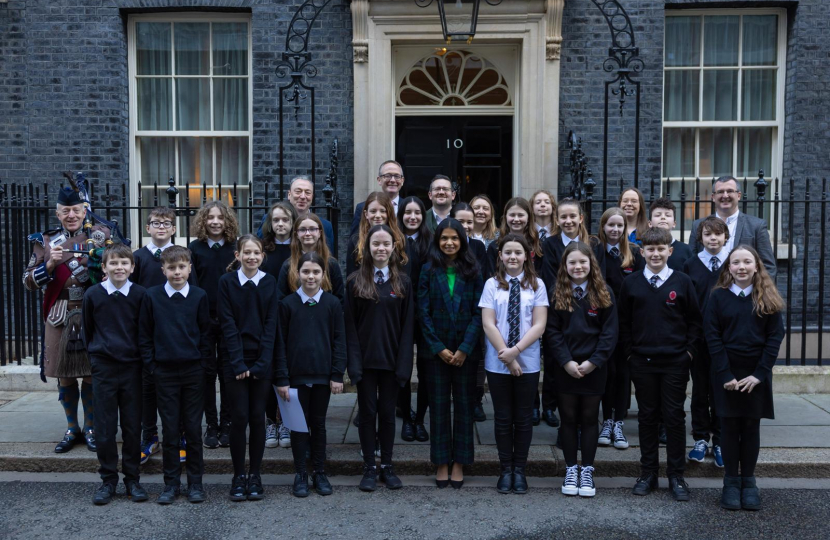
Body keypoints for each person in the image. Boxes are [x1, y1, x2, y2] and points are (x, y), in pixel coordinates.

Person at [23, 185, 111, 454]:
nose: (71, 215)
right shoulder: (45, 242)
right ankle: (72, 428)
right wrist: (49, 265)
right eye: (65, 211)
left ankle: (91, 427)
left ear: (84, 211)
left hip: (90, 311)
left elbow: (116, 268)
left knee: (91, 374)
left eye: (76, 210)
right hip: (60, 313)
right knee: (64, 376)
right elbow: (28, 282)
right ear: (57, 213)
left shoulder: (100, 236)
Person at [618, 227, 702, 502]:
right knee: (647, 416)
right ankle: (648, 472)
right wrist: (631, 354)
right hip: (642, 361)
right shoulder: (631, 283)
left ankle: (676, 475)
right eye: (650, 249)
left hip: (675, 362)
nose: (655, 253)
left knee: (674, 417)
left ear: (670, 251)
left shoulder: (682, 281)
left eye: (660, 248)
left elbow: (694, 321)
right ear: (642, 252)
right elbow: (624, 323)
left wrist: (688, 352)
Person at [704, 245, 784, 511]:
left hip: (755, 374)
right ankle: (730, 482)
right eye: (735, 262)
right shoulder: (718, 297)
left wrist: (760, 374)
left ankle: (749, 482)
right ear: (729, 267)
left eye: (747, 262)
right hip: (727, 372)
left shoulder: (767, 298)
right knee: (728, 428)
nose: (741, 267)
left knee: (750, 427)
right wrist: (725, 373)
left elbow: (775, 337)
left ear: (756, 266)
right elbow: (712, 336)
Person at [138, 246, 211, 504]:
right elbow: (144, 335)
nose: (177, 272)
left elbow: (206, 334)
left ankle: (195, 484)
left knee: (192, 430)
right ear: (163, 270)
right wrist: (152, 366)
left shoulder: (200, 296)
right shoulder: (152, 296)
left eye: (182, 267)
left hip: (193, 372)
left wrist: (203, 366)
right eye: (171, 268)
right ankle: (171, 485)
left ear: (189, 268)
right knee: (169, 431)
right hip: (164, 372)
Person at [545, 242, 618, 498]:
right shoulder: (556, 291)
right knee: (567, 418)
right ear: (565, 265)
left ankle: (587, 469)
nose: (578, 267)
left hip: (594, 367)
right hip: (565, 366)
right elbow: (552, 331)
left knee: (589, 418)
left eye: (583, 262)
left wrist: (593, 362)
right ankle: (570, 469)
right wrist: (566, 361)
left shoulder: (603, 291)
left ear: (591, 265)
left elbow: (609, 333)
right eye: (572, 262)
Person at [345, 224, 415, 492]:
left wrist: (404, 365)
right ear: (367, 247)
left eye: (386, 244)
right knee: (367, 415)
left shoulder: (403, 282)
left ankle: (387, 465)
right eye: (376, 244)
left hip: (392, 362)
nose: (381, 248)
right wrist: (354, 365)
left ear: (394, 247)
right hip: (365, 362)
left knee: (387, 415)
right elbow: (349, 326)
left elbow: (408, 327)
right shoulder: (354, 281)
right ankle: (369, 467)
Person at [479, 233, 548, 494]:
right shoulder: (491, 285)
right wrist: (506, 356)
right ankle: (505, 469)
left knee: (523, 418)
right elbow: (488, 323)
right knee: (503, 418)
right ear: (500, 256)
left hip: (528, 362)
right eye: (507, 252)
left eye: (518, 252)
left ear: (527, 256)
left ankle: (520, 470)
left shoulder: (537, 285)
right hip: (497, 363)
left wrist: (516, 352)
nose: (512, 257)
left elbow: (539, 324)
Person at [417, 218, 484, 489]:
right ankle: (442, 462)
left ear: (462, 241)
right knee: (440, 408)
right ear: (437, 241)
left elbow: (480, 312)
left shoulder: (474, 270)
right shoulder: (427, 270)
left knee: (465, 408)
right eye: (444, 238)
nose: (449, 243)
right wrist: (439, 348)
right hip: (437, 353)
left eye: (454, 238)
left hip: (466, 353)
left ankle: (460, 463)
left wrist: (465, 348)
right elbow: (422, 313)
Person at [275, 252, 347, 498]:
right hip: (295, 377)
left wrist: (337, 374)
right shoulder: (287, 304)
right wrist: (282, 378)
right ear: (298, 274)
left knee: (318, 424)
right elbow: (280, 344)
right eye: (306, 271)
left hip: (322, 376)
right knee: (298, 427)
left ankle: (319, 471)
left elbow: (339, 341)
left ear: (323, 275)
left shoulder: (332, 304)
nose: (311, 276)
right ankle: (300, 474)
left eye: (316, 271)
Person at [82, 244, 148, 505]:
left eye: (124, 263)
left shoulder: (141, 295)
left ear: (132, 267)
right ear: (104, 268)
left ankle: (132, 479)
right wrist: (97, 359)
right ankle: (108, 480)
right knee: (105, 429)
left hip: (133, 368)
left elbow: (145, 331)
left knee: (132, 427)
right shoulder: (93, 295)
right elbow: (89, 330)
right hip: (105, 368)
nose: (119, 267)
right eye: (113, 263)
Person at [133, 207, 198, 465]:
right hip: (149, 332)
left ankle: (180, 434)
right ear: (147, 228)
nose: (161, 227)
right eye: (155, 223)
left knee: (178, 393)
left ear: (174, 229)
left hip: (178, 333)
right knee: (148, 390)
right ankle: (149, 436)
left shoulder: (184, 257)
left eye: (167, 223)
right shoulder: (137, 257)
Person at [218, 235, 279, 502]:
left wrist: (262, 363)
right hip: (235, 360)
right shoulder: (227, 283)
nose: (252, 257)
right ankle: (238, 475)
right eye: (247, 253)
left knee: (257, 417)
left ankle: (255, 474)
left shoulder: (269, 282)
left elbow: (271, 325)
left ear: (262, 256)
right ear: (238, 255)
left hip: (261, 360)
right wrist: (239, 363)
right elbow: (227, 325)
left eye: (257, 253)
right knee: (239, 417)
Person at [540, 198, 605, 427]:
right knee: (553, 359)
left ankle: (585, 413)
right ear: (557, 220)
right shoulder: (550, 244)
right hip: (560, 305)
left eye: (572, 216)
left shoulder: (595, 244)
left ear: (581, 218)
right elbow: (548, 276)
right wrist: (563, 296)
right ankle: (549, 406)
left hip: (590, 305)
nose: (568, 221)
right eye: (563, 217)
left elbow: (600, 275)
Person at [188, 201, 238, 450]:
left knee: (227, 374)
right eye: (210, 217)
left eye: (220, 217)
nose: (215, 221)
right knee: (207, 374)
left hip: (230, 320)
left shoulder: (235, 249)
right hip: (205, 320)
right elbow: (193, 285)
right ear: (203, 221)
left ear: (227, 221)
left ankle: (227, 424)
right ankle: (212, 424)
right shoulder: (194, 248)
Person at [684, 216, 729, 468]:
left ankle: (720, 440)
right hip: (698, 339)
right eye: (708, 234)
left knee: (721, 390)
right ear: (700, 238)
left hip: (725, 340)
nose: (713, 238)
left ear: (725, 237)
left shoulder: (733, 264)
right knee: (700, 390)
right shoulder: (690, 265)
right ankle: (700, 438)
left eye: (718, 234)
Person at [596, 208, 643, 450]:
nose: (615, 230)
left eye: (619, 225)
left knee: (624, 374)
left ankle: (619, 422)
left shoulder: (634, 254)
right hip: (602, 321)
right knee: (607, 372)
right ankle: (606, 420)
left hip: (627, 323)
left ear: (626, 228)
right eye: (610, 225)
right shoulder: (595, 252)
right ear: (603, 226)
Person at [687, 176, 776, 279]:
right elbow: (691, 262)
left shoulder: (756, 226)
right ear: (713, 197)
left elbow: (768, 266)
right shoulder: (698, 225)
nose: (725, 195)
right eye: (720, 192)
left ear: (738, 195)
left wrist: (756, 292)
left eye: (730, 191)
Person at [260, 200, 296, 450]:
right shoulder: (263, 249)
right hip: (265, 314)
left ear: (293, 222)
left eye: (285, 219)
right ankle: (269, 420)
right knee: (269, 369)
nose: (280, 224)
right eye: (276, 220)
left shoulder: (298, 249)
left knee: (288, 370)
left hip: (291, 316)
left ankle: (286, 420)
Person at [397, 196, 432, 443]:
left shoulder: (431, 241)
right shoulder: (394, 242)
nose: (412, 217)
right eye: (408, 212)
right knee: (403, 369)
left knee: (427, 370)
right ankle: (407, 420)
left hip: (427, 314)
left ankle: (420, 419)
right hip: (400, 314)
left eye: (417, 213)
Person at [276, 213, 345, 306]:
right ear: (296, 234)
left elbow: (339, 299)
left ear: (320, 233)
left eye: (312, 229)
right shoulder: (288, 265)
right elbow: (281, 300)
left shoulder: (331, 263)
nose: (307, 233)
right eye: (303, 230)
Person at [257, 176, 335, 252]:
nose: (303, 196)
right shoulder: (269, 219)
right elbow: (259, 248)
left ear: (312, 197)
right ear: (289, 194)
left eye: (308, 193)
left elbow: (327, 258)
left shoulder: (325, 226)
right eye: (298, 192)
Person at [346, 192, 408, 278]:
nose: (378, 215)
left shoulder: (400, 239)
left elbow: (406, 277)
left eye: (382, 211)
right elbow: (351, 276)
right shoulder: (355, 241)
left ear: (389, 213)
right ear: (366, 214)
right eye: (373, 211)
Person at [486, 197, 544, 279]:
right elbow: (491, 275)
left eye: (520, 215)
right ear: (506, 217)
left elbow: (541, 275)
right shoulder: (494, 246)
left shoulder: (538, 245)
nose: (516, 219)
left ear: (529, 218)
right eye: (512, 215)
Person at [351, 160, 404, 236]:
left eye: (397, 176)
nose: (392, 180)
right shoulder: (361, 208)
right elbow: (354, 241)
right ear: (379, 180)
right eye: (388, 175)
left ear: (402, 180)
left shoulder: (408, 208)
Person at [649, 197, 693, 272]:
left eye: (667, 215)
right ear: (650, 223)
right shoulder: (644, 248)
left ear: (674, 223)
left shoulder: (685, 250)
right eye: (658, 215)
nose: (663, 217)